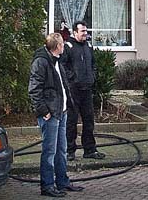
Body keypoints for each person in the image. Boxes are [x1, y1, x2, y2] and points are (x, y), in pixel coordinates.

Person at [29, 33, 85, 197]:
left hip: (61, 111)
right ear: (57, 46)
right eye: (62, 44)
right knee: (49, 151)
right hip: (51, 114)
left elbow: (62, 84)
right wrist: (43, 111)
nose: (64, 46)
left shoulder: (57, 61)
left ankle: (62, 181)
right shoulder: (41, 62)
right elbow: (34, 90)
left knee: (62, 149)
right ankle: (47, 185)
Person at [61, 22, 105, 161]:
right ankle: (69, 150)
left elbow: (93, 64)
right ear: (75, 32)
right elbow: (63, 66)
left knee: (89, 120)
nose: (85, 34)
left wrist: (92, 76)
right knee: (71, 121)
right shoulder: (68, 47)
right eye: (82, 31)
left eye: (86, 31)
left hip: (87, 89)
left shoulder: (88, 46)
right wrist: (72, 79)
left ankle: (90, 150)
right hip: (74, 90)